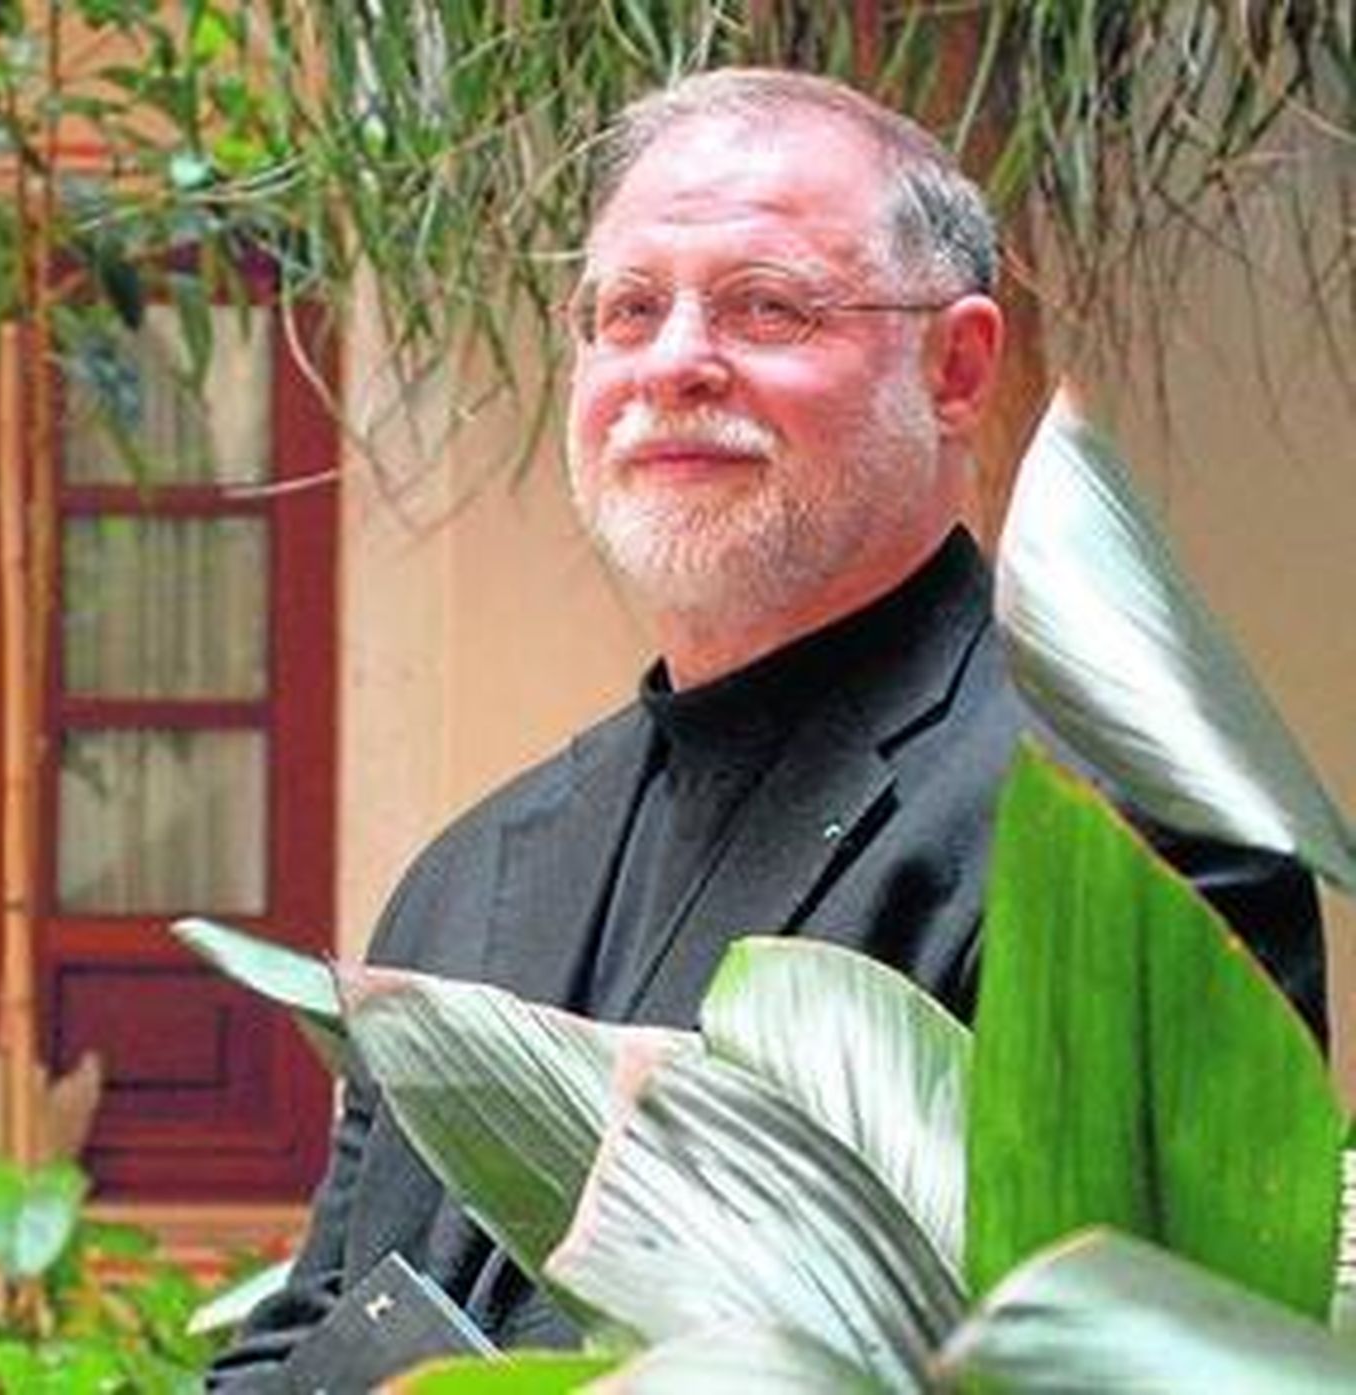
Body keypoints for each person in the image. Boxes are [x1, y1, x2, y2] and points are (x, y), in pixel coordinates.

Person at [209, 68, 1324, 1386]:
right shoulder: (470, 875)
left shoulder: (1121, 833)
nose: (672, 361)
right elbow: (304, 1340)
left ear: (959, 367)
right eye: (628, 310)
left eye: (767, 305)